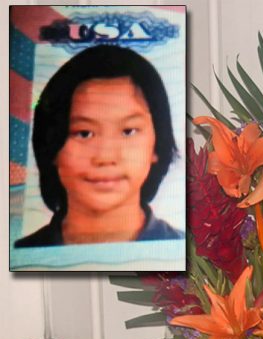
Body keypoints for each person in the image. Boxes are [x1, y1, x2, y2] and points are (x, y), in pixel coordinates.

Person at [14, 44, 182, 247]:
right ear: (51, 147)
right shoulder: (19, 254)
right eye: (84, 133)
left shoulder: (191, 254)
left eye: (128, 131)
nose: (105, 157)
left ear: (157, 145)